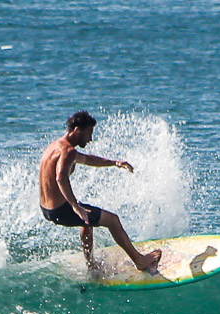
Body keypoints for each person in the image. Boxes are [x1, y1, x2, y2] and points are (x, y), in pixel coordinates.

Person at [39, 111, 161, 272]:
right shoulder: (68, 151)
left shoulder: (56, 146)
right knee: (113, 220)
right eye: (89, 134)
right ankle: (140, 261)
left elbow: (87, 159)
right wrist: (76, 206)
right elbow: (60, 177)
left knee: (87, 222)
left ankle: (91, 265)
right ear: (77, 131)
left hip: (47, 209)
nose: (90, 139)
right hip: (61, 210)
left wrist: (115, 163)